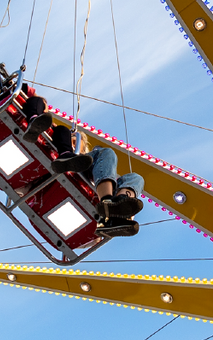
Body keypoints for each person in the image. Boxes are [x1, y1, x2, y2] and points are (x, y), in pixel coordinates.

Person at [17, 97, 144, 238]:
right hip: (67, 171)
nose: (72, 145)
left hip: (83, 173)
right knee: (107, 153)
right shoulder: (58, 140)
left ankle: (118, 209)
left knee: (135, 178)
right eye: (70, 141)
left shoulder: (89, 163)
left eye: (75, 143)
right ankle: (108, 204)